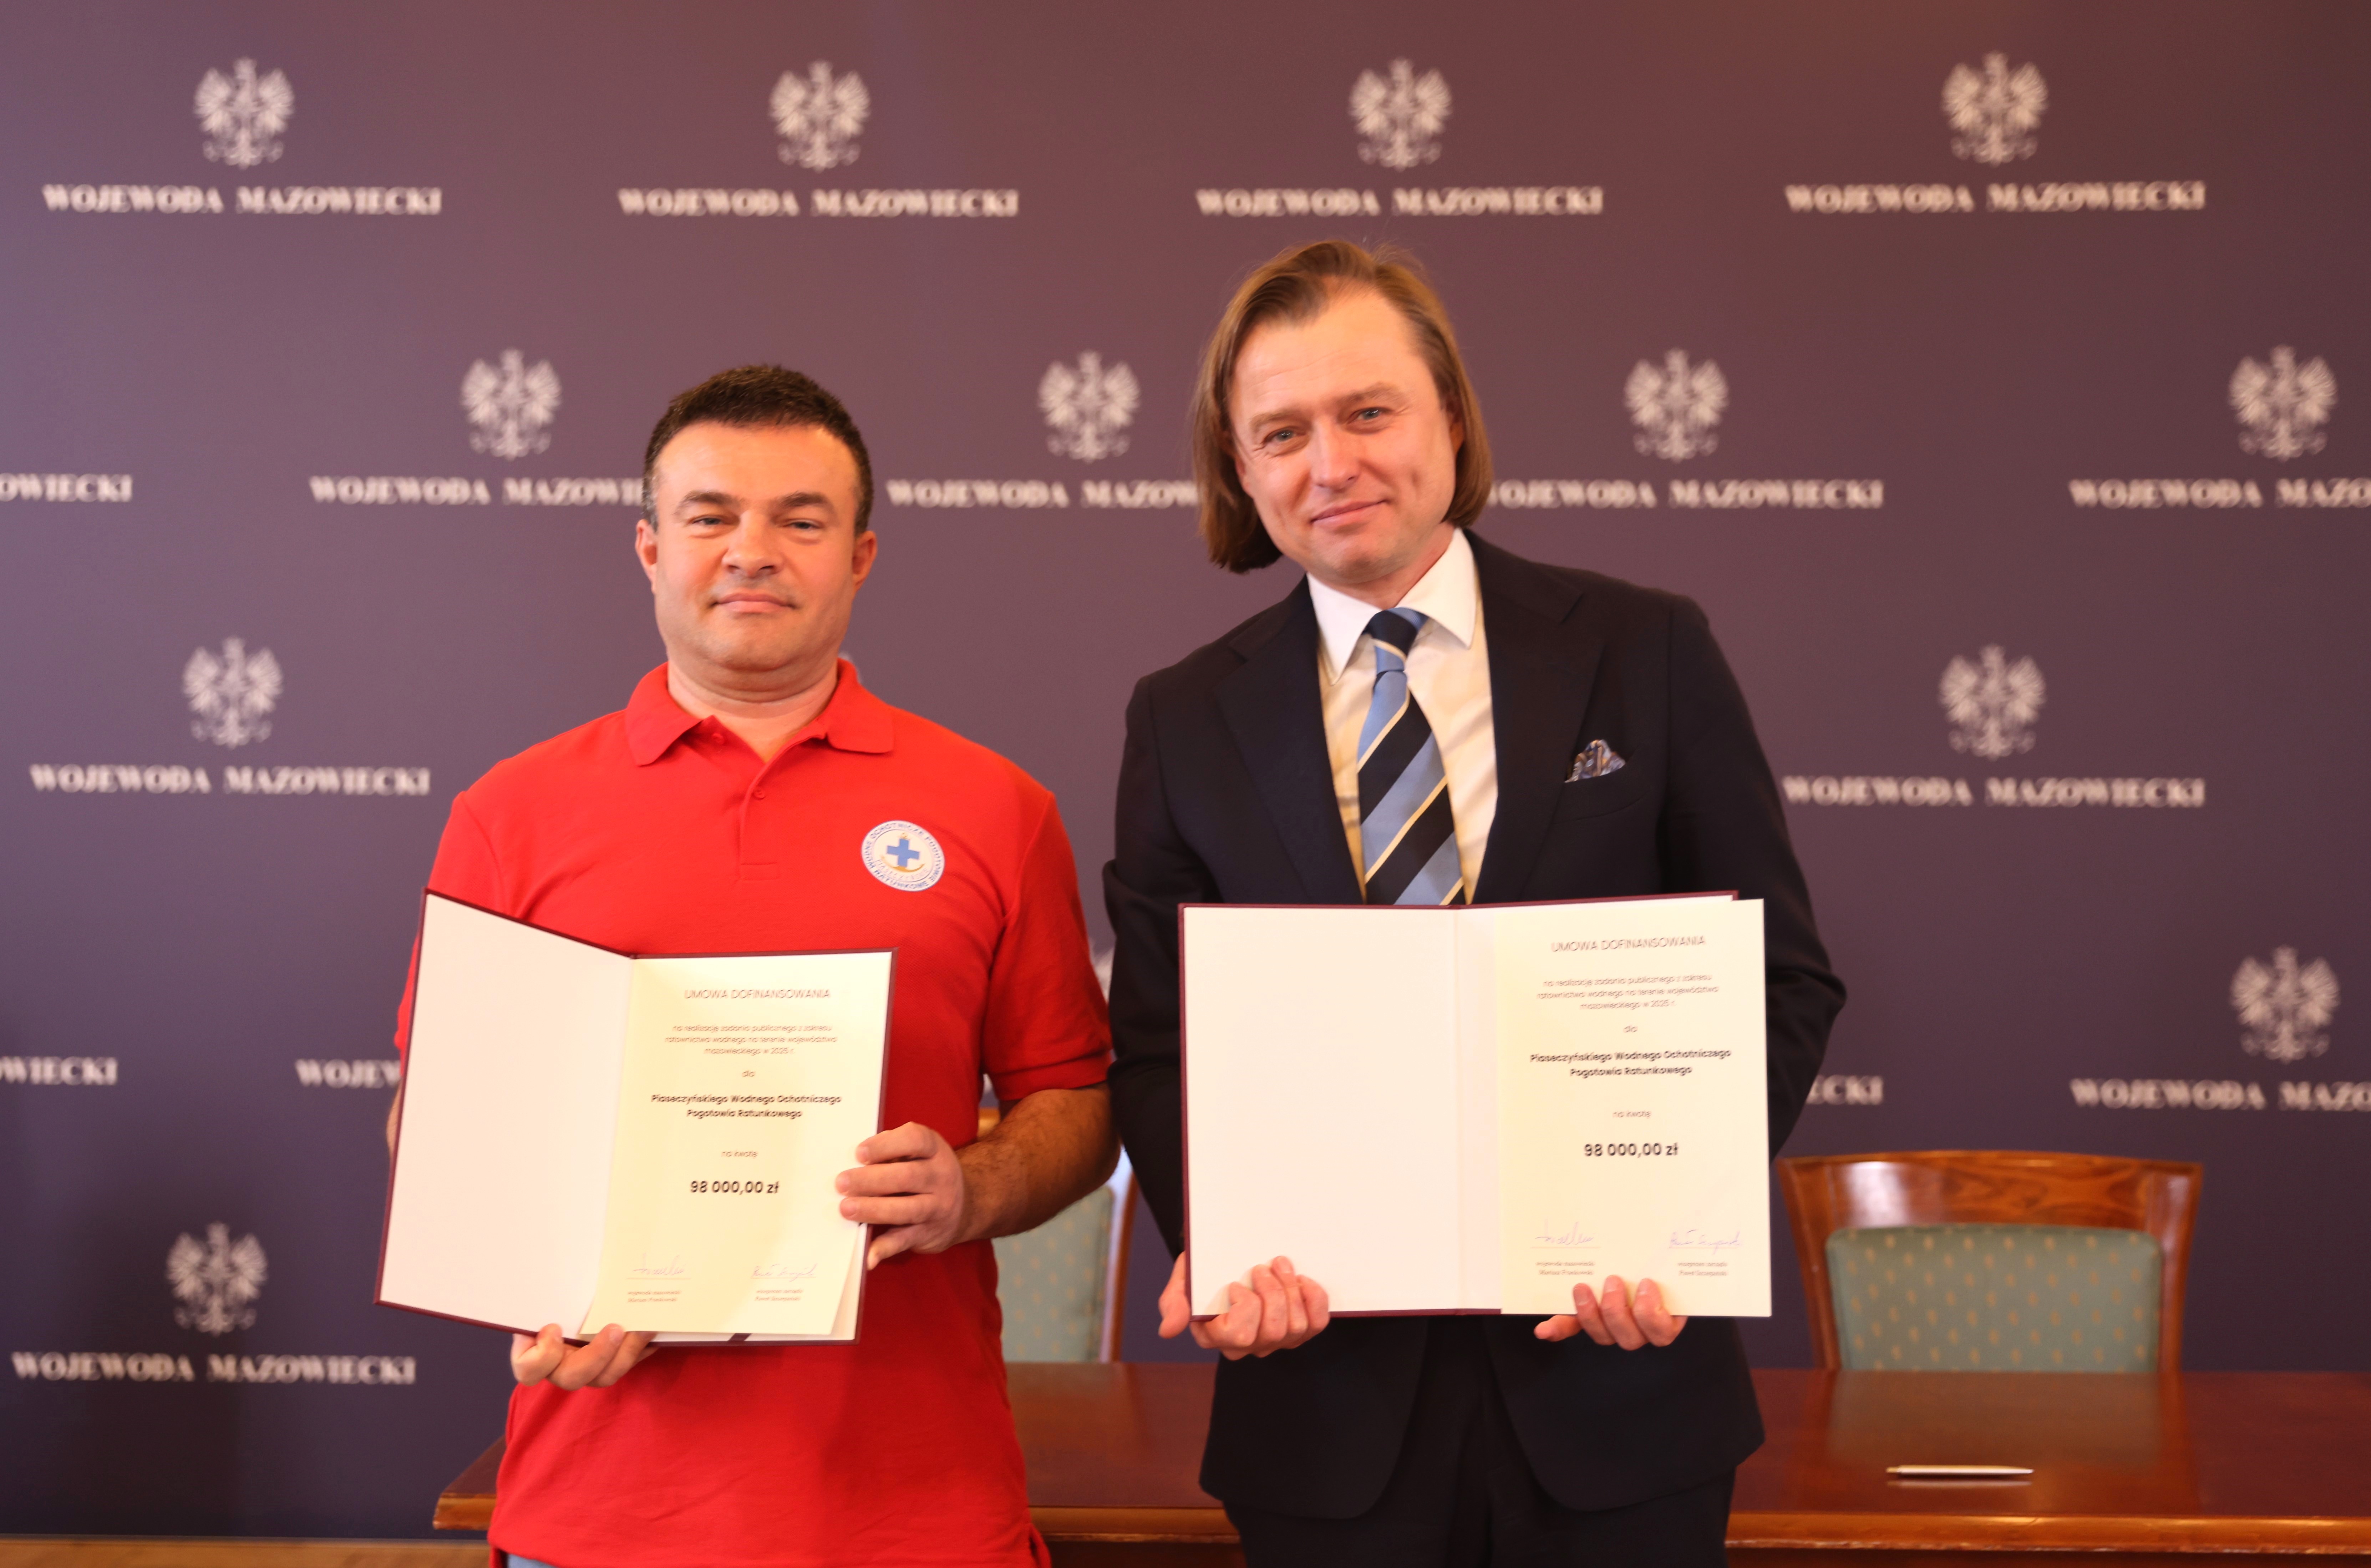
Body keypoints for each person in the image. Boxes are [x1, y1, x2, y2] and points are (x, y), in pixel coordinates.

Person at [1104, 241, 1845, 1564]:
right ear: (1240, 469)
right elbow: (1160, 1044)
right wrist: (1221, 1244)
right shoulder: (1183, 718)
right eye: (1282, 432)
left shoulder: (1647, 649)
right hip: (1323, 1414)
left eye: (1367, 412)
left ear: (1450, 415)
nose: (1330, 463)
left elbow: (1779, 978)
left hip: (1621, 1397)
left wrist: (1673, 1218)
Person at [387, 365, 1116, 1568]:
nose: (751, 551)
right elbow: (440, 1126)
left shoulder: (998, 809)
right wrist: (532, 1277)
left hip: (916, 1513)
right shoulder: (510, 816)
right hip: (602, 1515)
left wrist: (972, 1189)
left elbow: (1077, 1104)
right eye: (711, 515)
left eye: (801, 519)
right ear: (650, 547)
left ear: (861, 556)